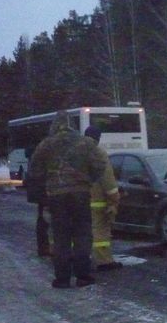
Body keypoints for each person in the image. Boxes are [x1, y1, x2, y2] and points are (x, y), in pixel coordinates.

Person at [28, 111, 110, 288]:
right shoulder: (85, 143)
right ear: (72, 124)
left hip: (56, 196)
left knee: (61, 237)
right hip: (80, 193)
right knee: (82, 234)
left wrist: (47, 184)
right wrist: (88, 180)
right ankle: (83, 276)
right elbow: (100, 164)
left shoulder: (46, 145)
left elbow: (34, 170)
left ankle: (62, 278)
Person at [83, 125, 122, 271]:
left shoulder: (75, 151)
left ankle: (76, 258)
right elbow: (108, 181)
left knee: (79, 231)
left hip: (76, 200)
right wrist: (114, 200)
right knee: (100, 233)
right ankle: (104, 261)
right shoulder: (98, 153)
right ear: (98, 138)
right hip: (96, 202)